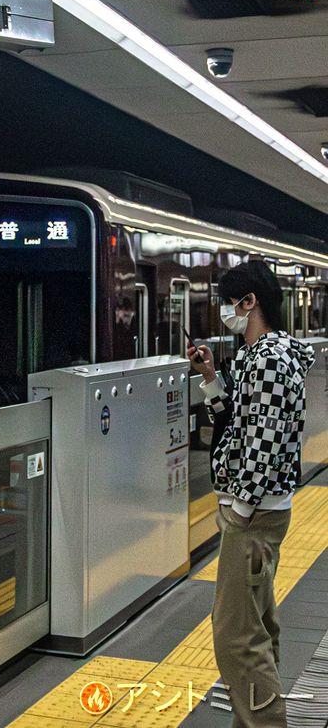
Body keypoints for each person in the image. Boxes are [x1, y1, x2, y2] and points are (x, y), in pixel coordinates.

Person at [188, 260, 314, 728]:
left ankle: (265, 723)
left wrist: (240, 508)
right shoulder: (253, 355)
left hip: (254, 514)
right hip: (256, 510)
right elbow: (233, 420)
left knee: (237, 638)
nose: (225, 311)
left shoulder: (271, 360)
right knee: (255, 628)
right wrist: (208, 377)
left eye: (228, 302)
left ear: (249, 301)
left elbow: (268, 441)